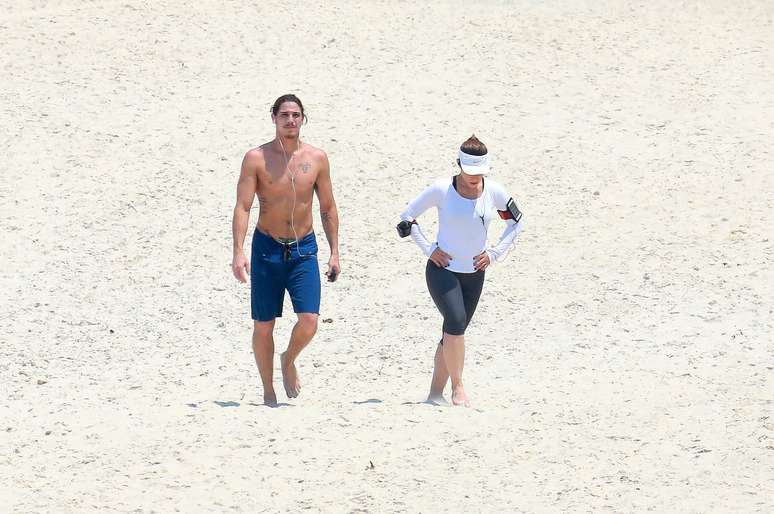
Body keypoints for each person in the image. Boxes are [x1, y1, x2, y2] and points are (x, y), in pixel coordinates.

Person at [398, 135, 523, 407]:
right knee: (455, 321)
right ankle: (458, 388)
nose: (474, 179)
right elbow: (407, 218)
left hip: (475, 273)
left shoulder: (496, 193)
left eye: (479, 174)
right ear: (458, 165)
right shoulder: (441, 189)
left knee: (454, 330)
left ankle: (434, 394)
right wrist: (430, 249)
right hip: (442, 269)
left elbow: (516, 223)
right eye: (469, 173)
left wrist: (494, 254)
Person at [231, 94, 340, 406]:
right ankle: (268, 391)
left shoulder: (317, 158)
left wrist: (335, 252)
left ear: (303, 118)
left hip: (303, 248)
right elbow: (242, 206)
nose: (290, 120)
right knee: (264, 325)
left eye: (296, 115)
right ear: (274, 118)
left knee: (309, 320)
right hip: (267, 247)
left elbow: (328, 207)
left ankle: (288, 359)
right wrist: (238, 251)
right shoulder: (256, 158)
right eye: (284, 115)